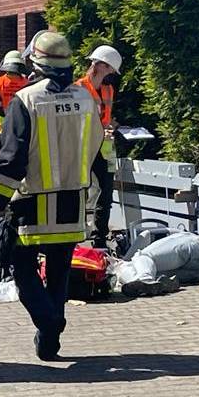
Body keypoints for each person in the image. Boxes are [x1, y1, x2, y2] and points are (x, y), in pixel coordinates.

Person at [0, 31, 104, 361]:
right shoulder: (86, 99)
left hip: (32, 203)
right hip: (72, 201)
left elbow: (12, 160)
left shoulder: (26, 100)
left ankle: (49, 323)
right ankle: (50, 341)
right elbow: (96, 147)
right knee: (59, 272)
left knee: (22, 269)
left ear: (36, 64)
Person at [76, 45, 123, 248]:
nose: (112, 73)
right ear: (101, 65)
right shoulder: (78, 89)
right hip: (84, 147)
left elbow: (105, 118)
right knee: (79, 191)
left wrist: (113, 126)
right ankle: (75, 236)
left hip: (105, 146)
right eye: (110, 68)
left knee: (106, 192)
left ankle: (100, 238)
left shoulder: (108, 89)